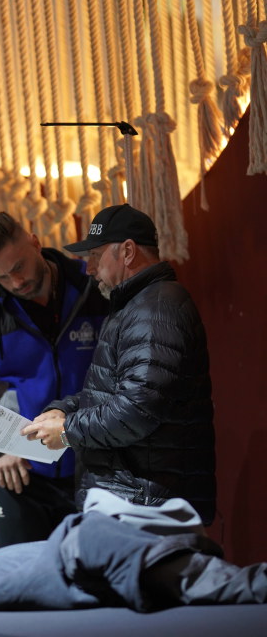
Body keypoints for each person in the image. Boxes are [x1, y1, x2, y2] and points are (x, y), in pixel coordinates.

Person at [22, 202, 216, 525]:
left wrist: (68, 431)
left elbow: (138, 409)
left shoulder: (155, 308)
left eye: (95, 256)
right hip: (137, 502)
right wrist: (64, 410)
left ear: (127, 251)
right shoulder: (138, 305)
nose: (88, 269)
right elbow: (117, 394)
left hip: (146, 510)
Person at [0, 211, 108, 546]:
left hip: (94, 464)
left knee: (95, 572)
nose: (15, 282)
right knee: (26, 576)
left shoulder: (91, 285)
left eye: (18, 267)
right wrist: (0, 444)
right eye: (1, 276)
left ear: (35, 243)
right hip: (19, 473)